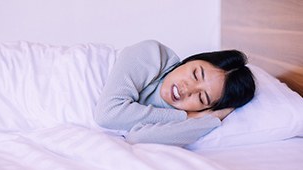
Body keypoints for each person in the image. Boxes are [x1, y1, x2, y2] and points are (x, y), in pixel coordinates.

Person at [94, 40, 255, 147]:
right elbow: (107, 115)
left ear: (205, 109)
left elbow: (137, 139)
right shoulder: (153, 54)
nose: (187, 89)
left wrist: (211, 120)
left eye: (201, 97)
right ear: (191, 60)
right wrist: (187, 117)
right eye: (195, 74)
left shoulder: (176, 117)